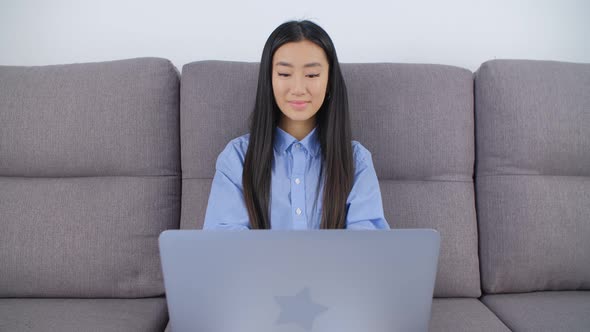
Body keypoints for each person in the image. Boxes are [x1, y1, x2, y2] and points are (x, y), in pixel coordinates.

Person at [203, 20, 389, 230]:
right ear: (269, 80)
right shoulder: (237, 158)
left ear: (329, 82)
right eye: (284, 74)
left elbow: (367, 248)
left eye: (312, 75)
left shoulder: (357, 161)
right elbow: (225, 248)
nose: (298, 88)